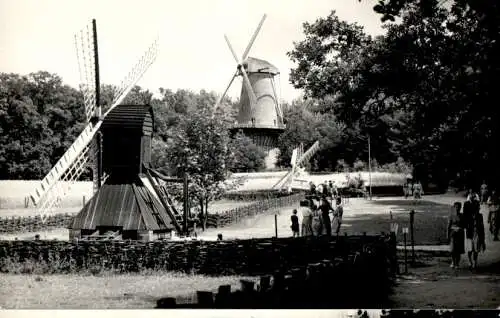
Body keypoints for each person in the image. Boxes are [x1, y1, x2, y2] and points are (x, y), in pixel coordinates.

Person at [464, 200, 486, 269]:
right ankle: (470, 260)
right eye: (476, 208)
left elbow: (482, 226)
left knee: (476, 249)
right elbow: (465, 225)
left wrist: (483, 238)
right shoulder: (468, 216)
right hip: (470, 233)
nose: (478, 209)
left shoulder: (480, 216)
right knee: (470, 249)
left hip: (477, 233)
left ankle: (475, 261)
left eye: (478, 208)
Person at [447, 202, 465, 268]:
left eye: (459, 207)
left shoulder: (462, 216)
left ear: (460, 208)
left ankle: (457, 263)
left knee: (458, 249)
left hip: (460, 234)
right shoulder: (451, 216)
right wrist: (447, 235)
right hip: (453, 234)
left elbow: (464, 225)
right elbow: (448, 226)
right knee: (452, 249)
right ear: (454, 208)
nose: (457, 209)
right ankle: (453, 261)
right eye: (456, 207)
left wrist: (460, 228)